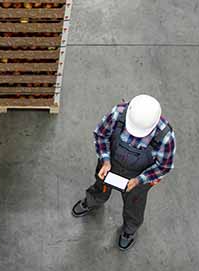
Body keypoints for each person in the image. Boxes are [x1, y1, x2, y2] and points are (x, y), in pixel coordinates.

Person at [71, 95, 176, 251]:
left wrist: (140, 180)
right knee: (100, 186)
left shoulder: (165, 137)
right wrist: (105, 160)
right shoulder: (119, 113)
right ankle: (92, 201)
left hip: (138, 177)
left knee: (134, 204)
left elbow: (163, 167)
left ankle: (129, 230)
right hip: (110, 165)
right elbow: (101, 135)